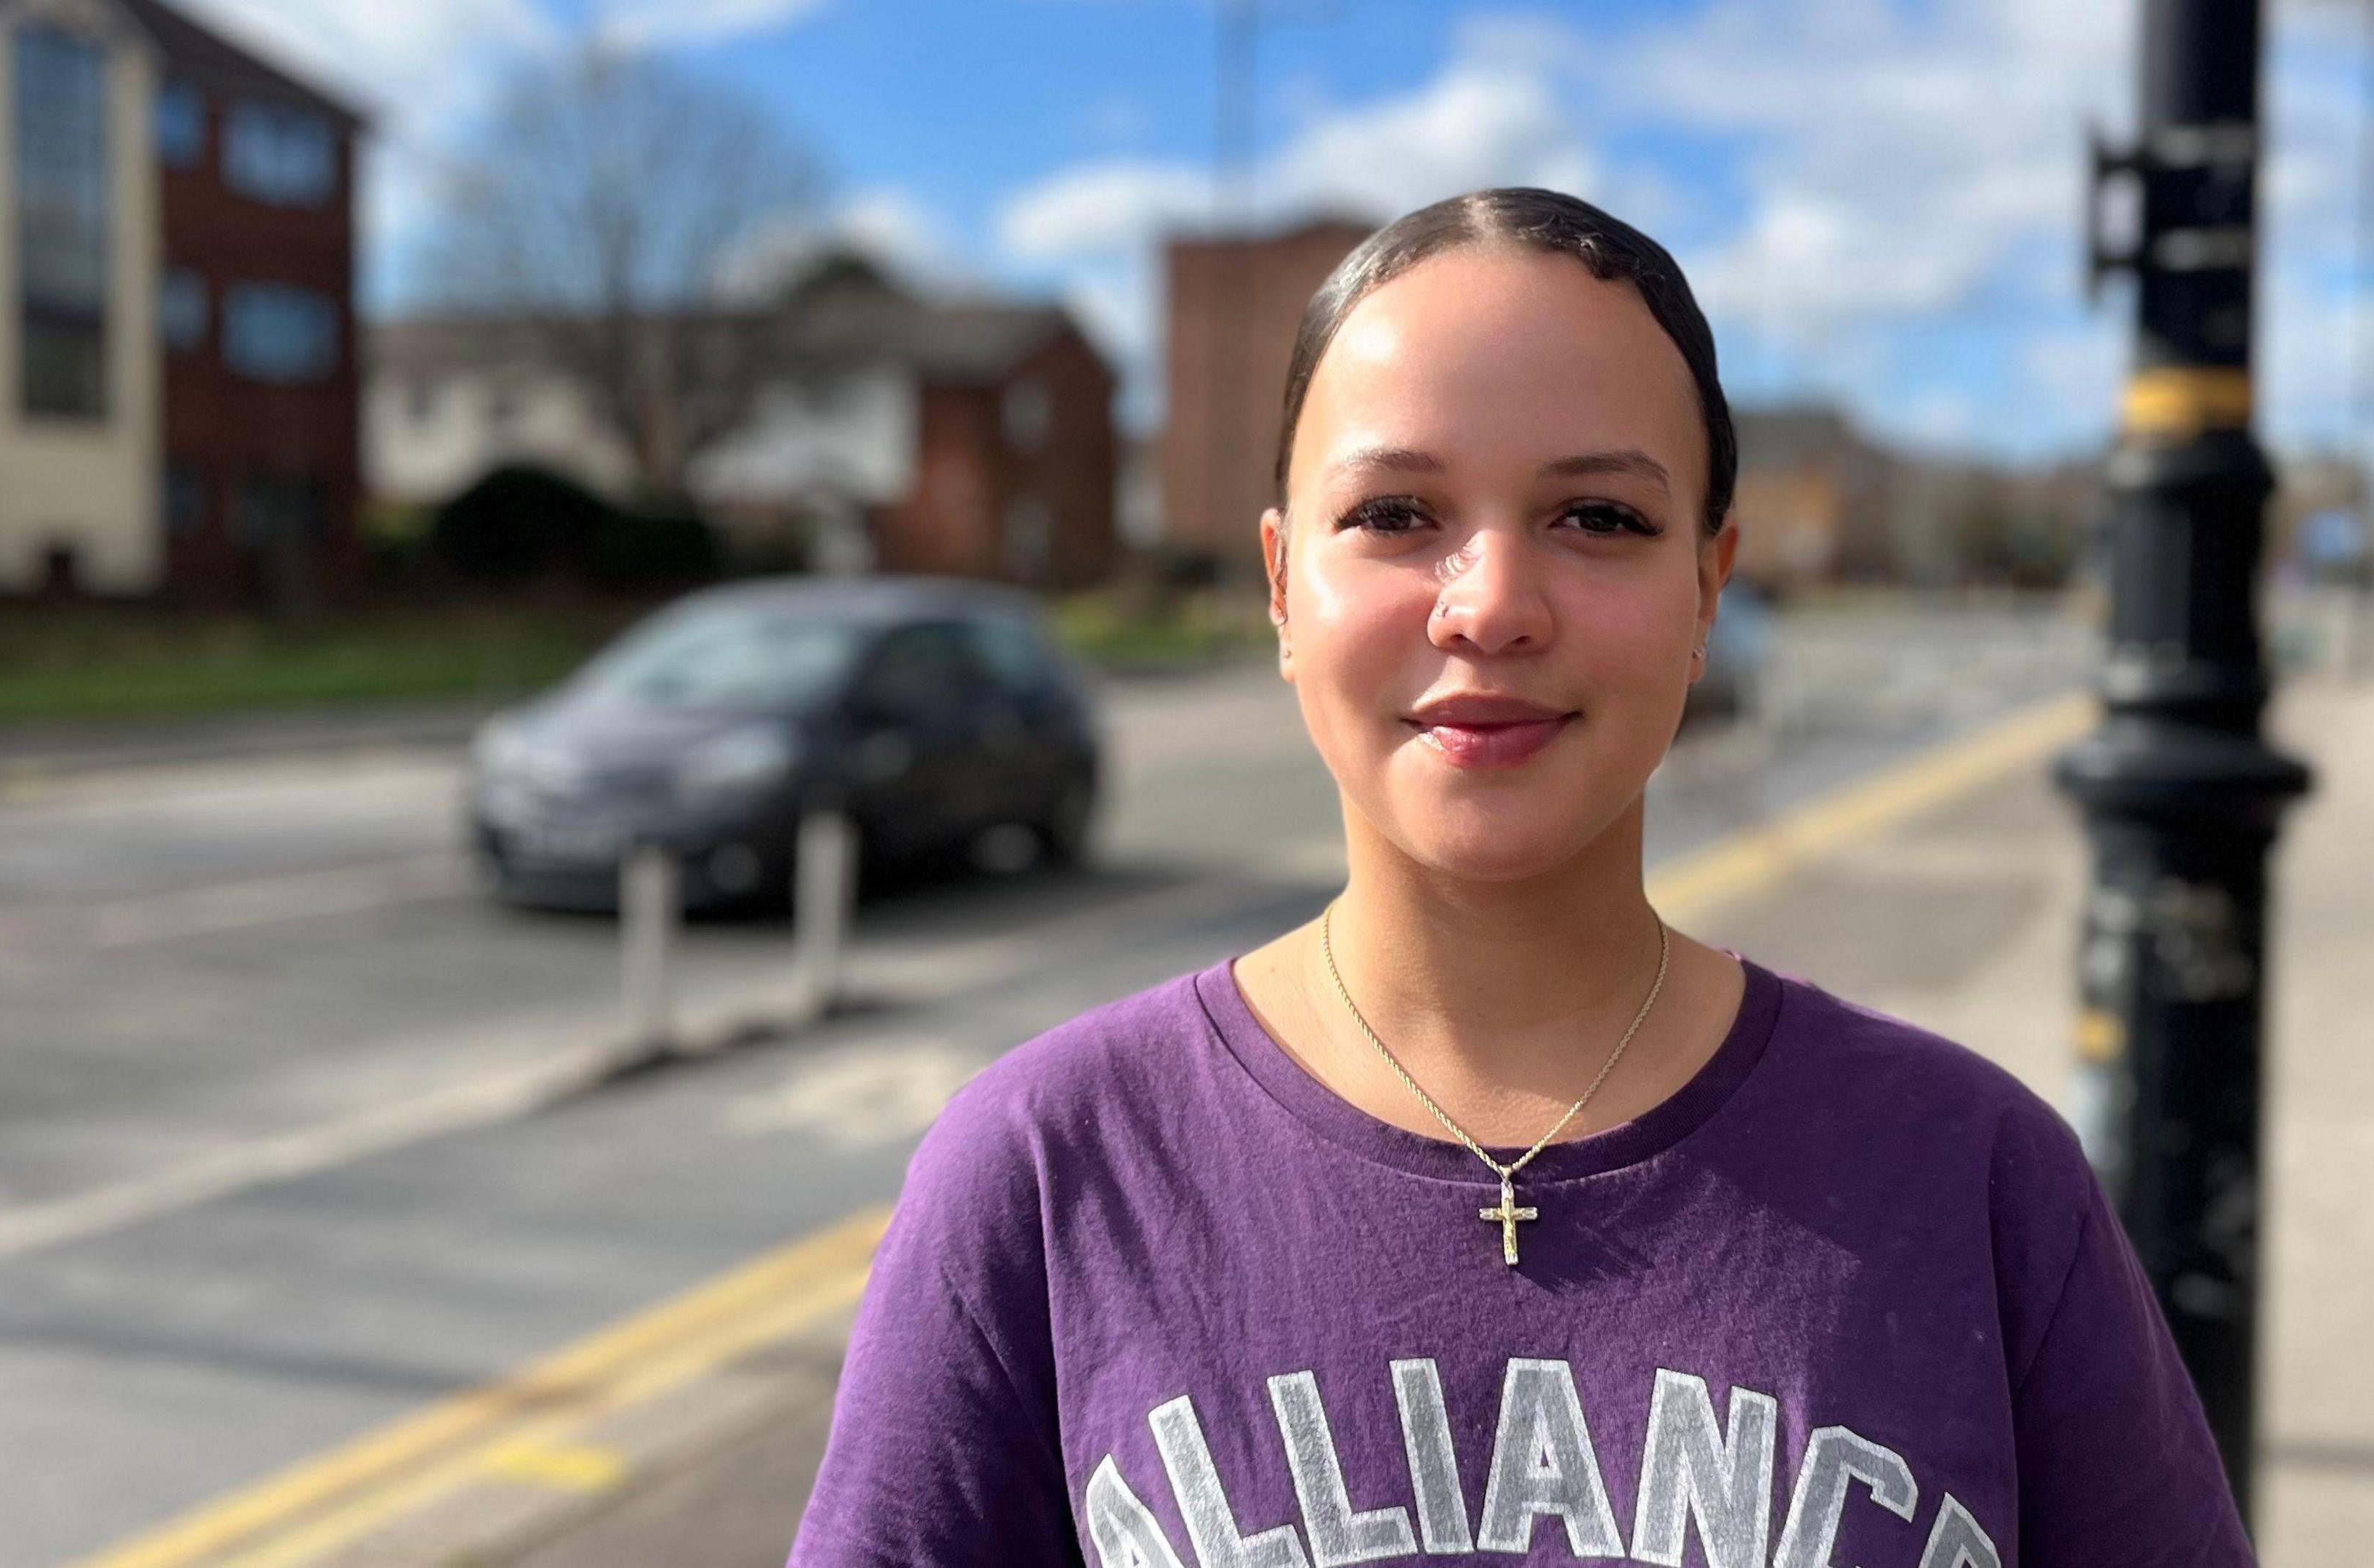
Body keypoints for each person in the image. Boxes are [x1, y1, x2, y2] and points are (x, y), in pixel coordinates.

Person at [785, 189, 2250, 1567]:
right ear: (1286, 587)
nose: (1489, 606)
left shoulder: (1974, 1175)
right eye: (1397, 517)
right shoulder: (1046, 1174)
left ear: (1707, 587)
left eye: (1598, 517)